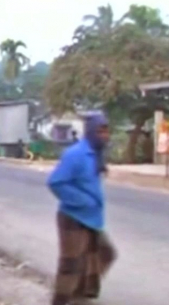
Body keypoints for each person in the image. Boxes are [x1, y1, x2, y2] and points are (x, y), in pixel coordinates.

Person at [47, 113, 117, 305]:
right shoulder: (76, 154)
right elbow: (56, 182)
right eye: (100, 131)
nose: (104, 135)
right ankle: (60, 301)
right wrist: (83, 201)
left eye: (106, 130)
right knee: (71, 265)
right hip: (73, 217)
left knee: (104, 254)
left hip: (91, 218)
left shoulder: (95, 153)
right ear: (91, 132)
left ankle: (79, 295)